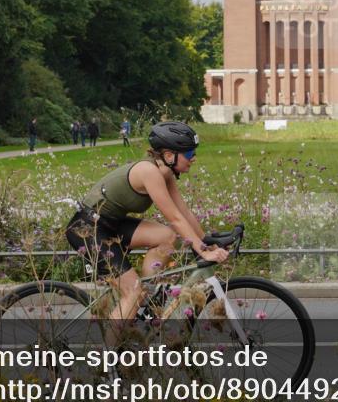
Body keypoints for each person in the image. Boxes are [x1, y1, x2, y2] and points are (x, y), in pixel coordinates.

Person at [64, 121, 228, 335]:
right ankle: (106, 363)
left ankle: (148, 297)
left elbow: (184, 213)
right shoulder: (148, 172)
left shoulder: (165, 173)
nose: (193, 158)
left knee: (166, 236)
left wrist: (206, 239)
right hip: (87, 229)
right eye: (189, 153)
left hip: (110, 225)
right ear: (169, 155)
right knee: (133, 292)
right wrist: (205, 252)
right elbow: (176, 218)